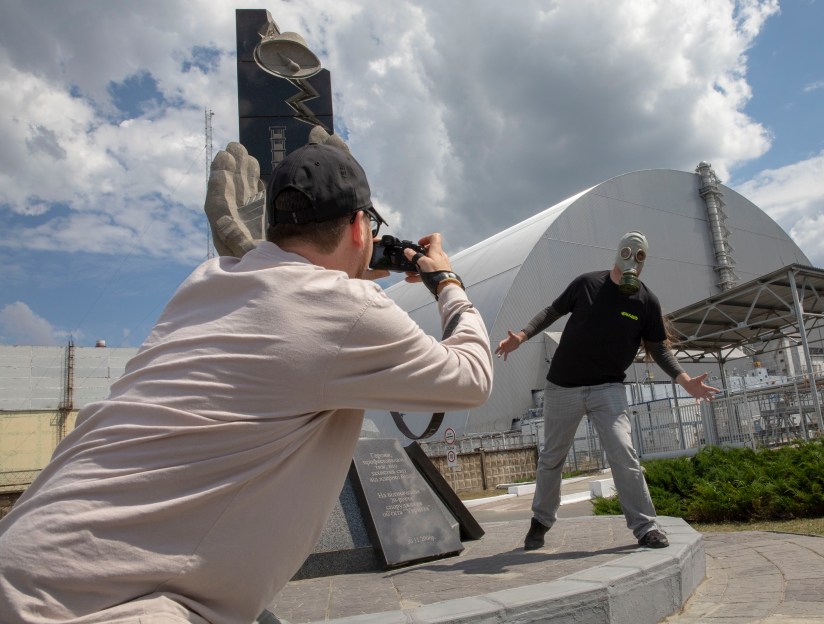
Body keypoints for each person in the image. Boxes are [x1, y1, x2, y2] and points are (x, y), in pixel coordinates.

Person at [0, 139, 493, 623]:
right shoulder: (349, 311)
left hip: (25, 564)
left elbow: (289, 315)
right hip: (100, 611)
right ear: (360, 227)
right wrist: (445, 281)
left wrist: (344, 276)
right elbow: (472, 376)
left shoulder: (206, 282)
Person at [495, 231, 717, 551]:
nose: (633, 260)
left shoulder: (645, 302)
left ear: (644, 261)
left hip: (608, 389)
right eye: (628, 252)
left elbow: (659, 349)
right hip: (562, 387)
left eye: (640, 256)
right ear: (618, 253)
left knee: (623, 452)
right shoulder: (586, 284)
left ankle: (645, 527)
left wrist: (684, 380)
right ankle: (541, 521)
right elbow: (552, 311)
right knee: (551, 458)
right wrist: (523, 335)